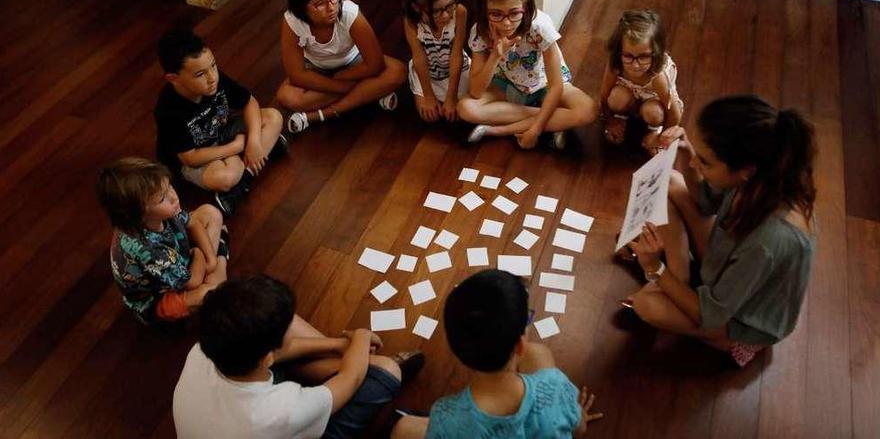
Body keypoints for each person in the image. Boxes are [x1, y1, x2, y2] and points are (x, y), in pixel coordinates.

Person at [619, 95, 817, 367]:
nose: (695, 164)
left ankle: (734, 342)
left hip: (741, 317)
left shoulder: (768, 241)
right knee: (672, 181)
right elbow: (706, 202)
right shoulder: (761, 178)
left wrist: (655, 268)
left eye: (706, 162)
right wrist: (688, 153)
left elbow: (711, 313)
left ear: (745, 171)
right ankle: (682, 283)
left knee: (646, 306)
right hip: (728, 261)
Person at [173, 274, 425, 439]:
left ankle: (353, 363)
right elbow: (350, 378)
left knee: (282, 323)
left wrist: (338, 345)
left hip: (239, 413)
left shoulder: (202, 351)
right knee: (387, 372)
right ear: (267, 358)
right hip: (276, 421)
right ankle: (375, 372)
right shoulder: (281, 411)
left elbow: (278, 351)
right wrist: (359, 337)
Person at [392, 269, 603, 438]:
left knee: (403, 428)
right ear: (520, 345)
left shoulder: (445, 415)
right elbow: (579, 429)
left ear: (456, 350)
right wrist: (579, 416)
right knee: (540, 353)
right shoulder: (556, 387)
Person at [457, 0, 598, 150]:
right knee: (465, 108)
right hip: (509, 85)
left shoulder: (540, 26)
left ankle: (498, 130)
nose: (506, 23)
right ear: (485, 9)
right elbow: (475, 91)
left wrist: (537, 129)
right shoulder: (480, 32)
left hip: (546, 85)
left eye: (514, 13)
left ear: (525, 5)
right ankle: (556, 118)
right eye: (496, 14)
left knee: (587, 110)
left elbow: (556, 86)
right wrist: (495, 56)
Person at [154, 28, 286, 217]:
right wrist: (238, 146)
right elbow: (190, 158)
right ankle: (261, 156)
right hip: (197, 156)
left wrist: (255, 141)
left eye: (214, 66)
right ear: (173, 79)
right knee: (224, 178)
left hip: (223, 133)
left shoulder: (214, 79)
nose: (212, 78)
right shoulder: (168, 110)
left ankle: (243, 179)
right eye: (200, 74)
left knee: (273, 117)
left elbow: (249, 102)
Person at [276, 0, 407, 132]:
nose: (331, 7)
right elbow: (297, 75)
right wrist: (340, 86)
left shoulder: (349, 13)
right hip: (316, 70)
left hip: (356, 65)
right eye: (320, 4)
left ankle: (321, 114)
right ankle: (369, 94)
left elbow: (375, 64)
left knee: (398, 71)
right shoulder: (292, 21)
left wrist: (344, 75)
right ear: (301, 6)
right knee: (286, 97)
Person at [96, 157, 227, 325]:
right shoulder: (150, 251)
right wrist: (201, 253)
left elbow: (193, 222)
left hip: (181, 261)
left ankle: (217, 262)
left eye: (169, 186)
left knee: (211, 213)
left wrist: (210, 260)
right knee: (212, 291)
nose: (173, 197)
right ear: (140, 213)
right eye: (162, 198)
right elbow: (192, 283)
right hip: (158, 299)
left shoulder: (161, 213)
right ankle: (221, 256)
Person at [599, 10, 683, 154]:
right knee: (616, 98)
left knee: (653, 113)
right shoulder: (616, 65)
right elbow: (604, 96)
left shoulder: (657, 76)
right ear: (618, 52)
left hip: (654, 102)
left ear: (656, 53)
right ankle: (622, 117)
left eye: (644, 57)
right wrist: (611, 121)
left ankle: (654, 129)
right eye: (628, 56)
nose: (636, 65)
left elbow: (674, 114)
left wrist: (660, 139)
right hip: (629, 95)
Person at [402, 0, 470, 123]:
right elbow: (419, 58)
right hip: (427, 72)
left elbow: (456, 55)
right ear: (417, 8)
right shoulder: (411, 21)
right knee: (429, 116)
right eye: (437, 11)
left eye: (449, 6)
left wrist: (451, 97)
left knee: (463, 112)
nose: (446, 15)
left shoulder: (460, 12)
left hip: (455, 69)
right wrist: (429, 95)